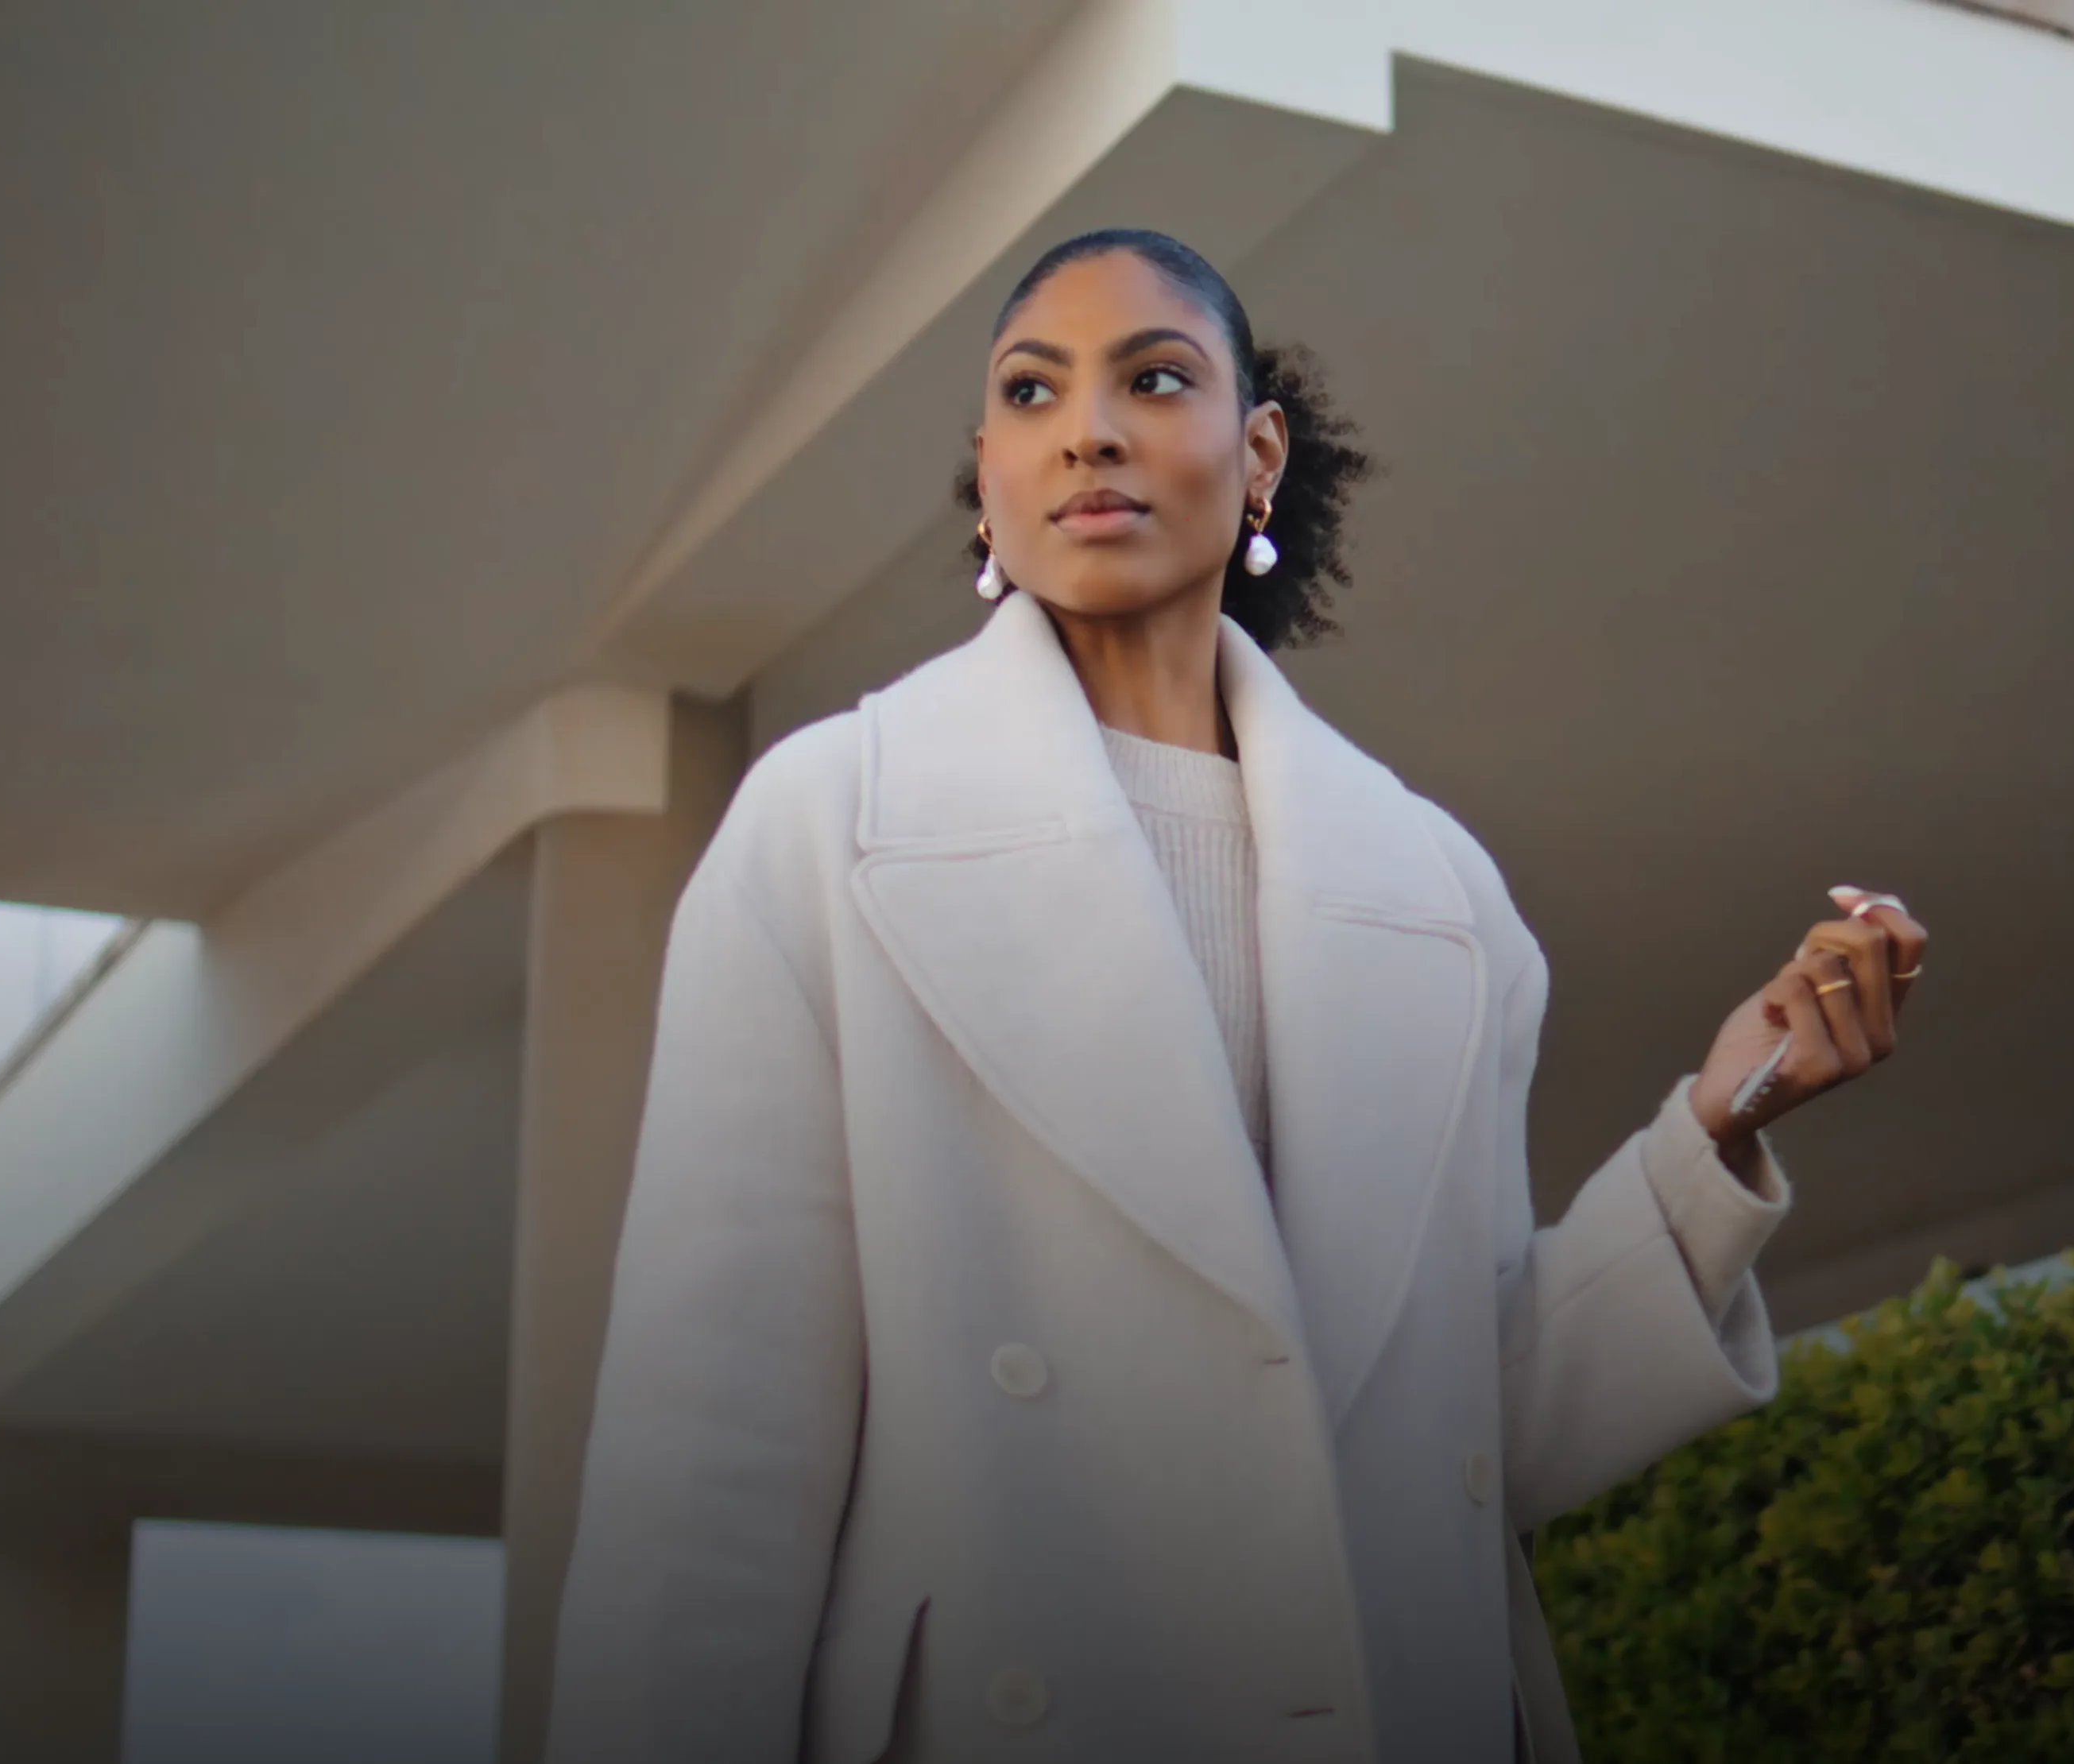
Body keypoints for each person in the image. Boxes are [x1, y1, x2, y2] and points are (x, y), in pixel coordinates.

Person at [547, 229, 1929, 1764]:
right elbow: (709, 1471)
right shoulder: (831, 826)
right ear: (988, 470)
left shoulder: (1436, 888)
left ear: (1258, 453)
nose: (1089, 427)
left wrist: (1725, 1121)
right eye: (1030, 391)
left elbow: (1467, 1439)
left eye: (1154, 377)